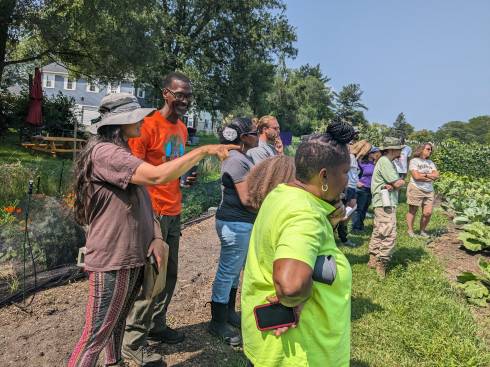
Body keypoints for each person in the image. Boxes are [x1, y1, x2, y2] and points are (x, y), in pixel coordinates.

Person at [68, 93, 236, 367]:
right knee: (95, 335)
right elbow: (158, 176)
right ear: (119, 123)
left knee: (117, 323)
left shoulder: (121, 153)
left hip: (129, 254)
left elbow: (144, 199)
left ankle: (115, 363)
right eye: (135, 117)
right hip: (111, 258)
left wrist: (156, 236)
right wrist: (204, 151)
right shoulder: (106, 153)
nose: (142, 120)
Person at [241, 121, 356, 367]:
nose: (348, 179)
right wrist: (295, 300)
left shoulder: (282, 194)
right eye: (346, 171)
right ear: (324, 175)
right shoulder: (305, 214)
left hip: (272, 346)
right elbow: (291, 285)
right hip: (300, 353)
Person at [121, 72, 201, 363]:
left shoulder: (180, 129)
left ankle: (156, 325)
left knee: (169, 276)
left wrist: (183, 181)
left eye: (188, 96)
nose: (185, 100)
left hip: (174, 210)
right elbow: (134, 174)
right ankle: (132, 341)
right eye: (179, 94)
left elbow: (170, 169)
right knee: (150, 279)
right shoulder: (147, 126)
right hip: (151, 214)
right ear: (165, 93)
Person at [208, 117, 258, 346]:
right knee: (228, 271)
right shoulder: (236, 161)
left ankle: (228, 313)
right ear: (244, 137)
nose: (257, 136)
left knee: (234, 270)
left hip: (240, 223)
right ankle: (217, 321)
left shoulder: (241, 157)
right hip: (235, 223)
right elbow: (247, 199)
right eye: (254, 132)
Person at [368, 137, 406, 278]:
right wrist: (401, 181)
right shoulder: (385, 162)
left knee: (379, 230)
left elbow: (392, 183)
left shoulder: (385, 161)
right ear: (391, 149)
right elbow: (397, 183)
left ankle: (373, 259)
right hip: (386, 203)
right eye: (399, 148)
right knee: (389, 233)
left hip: (381, 202)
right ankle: (382, 263)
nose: (401, 151)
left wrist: (394, 184)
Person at [337, 139, 371, 247]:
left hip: (352, 187)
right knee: (344, 214)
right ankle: (342, 237)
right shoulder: (351, 157)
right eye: (367, 151)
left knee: (349, 211)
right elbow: (344, 172)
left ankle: (343, 237)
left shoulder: (354, 158)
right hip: (348, 188)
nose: (367, 153)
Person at [406, 143, 439, 237]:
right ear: (421, 149)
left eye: (430, 149)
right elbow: (416, 176)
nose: (430, 151)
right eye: (428, 149)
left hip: (429, 190)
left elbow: (436, 175)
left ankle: (422, 231)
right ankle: (410, 231)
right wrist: (429, 176)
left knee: (428, 212)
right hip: (416, 188)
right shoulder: (414, 161)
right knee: (413, 210)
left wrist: (424, 175)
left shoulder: (430, 163)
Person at [352, 146, 381, 232]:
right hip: (362, 188)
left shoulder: (376, 164)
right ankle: (356, 227)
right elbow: (354, 173)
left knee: (365, 208)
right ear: (370, 153)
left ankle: (360, 225)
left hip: (371, 189)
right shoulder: (361, 162)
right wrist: (357, 182)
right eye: (375, 153)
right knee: (359, 208)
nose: (377, 154)